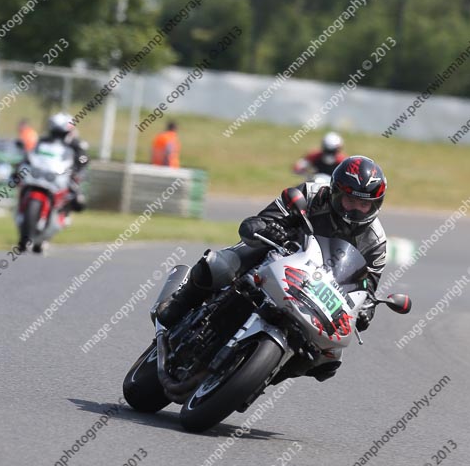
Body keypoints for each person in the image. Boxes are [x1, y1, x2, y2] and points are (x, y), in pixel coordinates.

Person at [157, 155, 387, 381]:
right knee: (218, 265)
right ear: (335, 192)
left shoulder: (376, 242)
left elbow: (366, 288)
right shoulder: (311, 194)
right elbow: (261, 221)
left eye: (363, 204)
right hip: (275, 256)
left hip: (318, 290)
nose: (355, 210)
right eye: (349, 201)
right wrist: (271, 228)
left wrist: (366, 310)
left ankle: (265, 371)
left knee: (329, 359)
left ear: (375, 205)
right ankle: (178, 302)